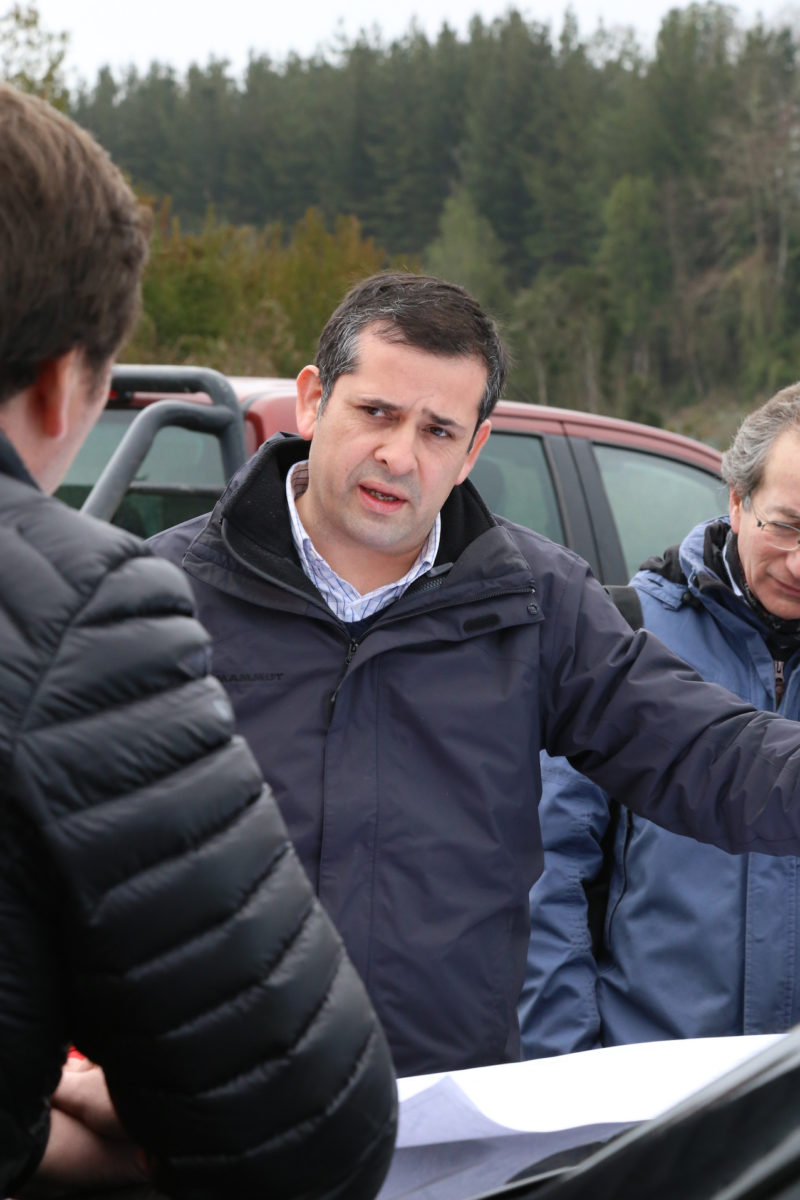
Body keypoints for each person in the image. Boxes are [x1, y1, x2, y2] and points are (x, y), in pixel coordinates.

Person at [151, 270, 800, 1079]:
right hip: (208, 1105)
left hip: (445, 1109)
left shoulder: (534, 601)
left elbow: (706, 753)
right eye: (377, 413)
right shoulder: (161, 597)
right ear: (314, 400)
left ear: (473, 450)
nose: (399, 455)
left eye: (437, 431)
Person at [0, 82, 396, 1200]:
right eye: (375, 414)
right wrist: (69, 1142)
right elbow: (309, 1133)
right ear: (61, 385)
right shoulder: (80, 610)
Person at [519, 389, 800, 1058]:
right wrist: (563, 1078)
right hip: (648, 1083)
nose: (799, 562)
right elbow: (549, 872)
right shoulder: (625, 637)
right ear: (737, 501)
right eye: (786, 526)